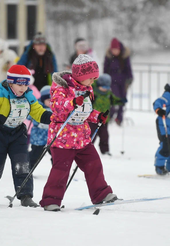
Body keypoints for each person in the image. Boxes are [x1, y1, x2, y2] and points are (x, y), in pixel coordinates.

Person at [39, 54, 117, 212]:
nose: (92, 82)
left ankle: (101, 194)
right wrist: (72, 102)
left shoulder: (87, 89)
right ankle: (51, 200)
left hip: (82, 138)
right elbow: (57, 106)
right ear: (81, 75)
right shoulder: (61, 87)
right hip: (63, 139)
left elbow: (85, 111)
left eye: (94, 79)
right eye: (91, 78)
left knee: (94, 164)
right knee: (61, 170)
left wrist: (97, 116)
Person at [0, 65, 52, 207]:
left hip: (17, 133)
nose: (23, 88)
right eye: (19, 84)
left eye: (25, 84)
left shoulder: (28, 96)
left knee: (22, 165)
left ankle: (26, 196)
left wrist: (53, 117)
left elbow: (38, 112)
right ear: (10, 82)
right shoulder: (1, 93)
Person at [89, 73, 126, 155]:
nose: (105, 89)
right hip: (93, 119)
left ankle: (105, 150)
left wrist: (120, 101)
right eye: (103, 87)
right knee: (91, 136)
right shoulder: (93, 93)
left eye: (107, 87)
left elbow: (114, 100)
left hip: (104, 119)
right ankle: (87, 150)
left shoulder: (108, 94)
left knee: (104, 136)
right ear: (99, 85)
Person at [104, 37, 133, 126]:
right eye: (113, 50)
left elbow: (128, 68)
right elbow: (105, 70)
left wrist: (129, 79)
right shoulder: (108, 56)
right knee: (115, 98)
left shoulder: (124, 56)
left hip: (123, 81)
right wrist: (105, 80)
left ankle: (119, 118)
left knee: (123, 99)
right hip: (112, 82)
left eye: (116, 50)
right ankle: (110, 115)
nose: (115, 52)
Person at [28, 85, 52, 171]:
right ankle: (28, 168)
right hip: (39, 136)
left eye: (53, 100)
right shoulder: (38, 107)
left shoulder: (56, 109)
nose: (51, 103)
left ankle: (57, 171)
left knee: (56, 155)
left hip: (52, 137)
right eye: (49, 100)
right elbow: (29, 115)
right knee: (35, 154)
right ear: (43, 99)